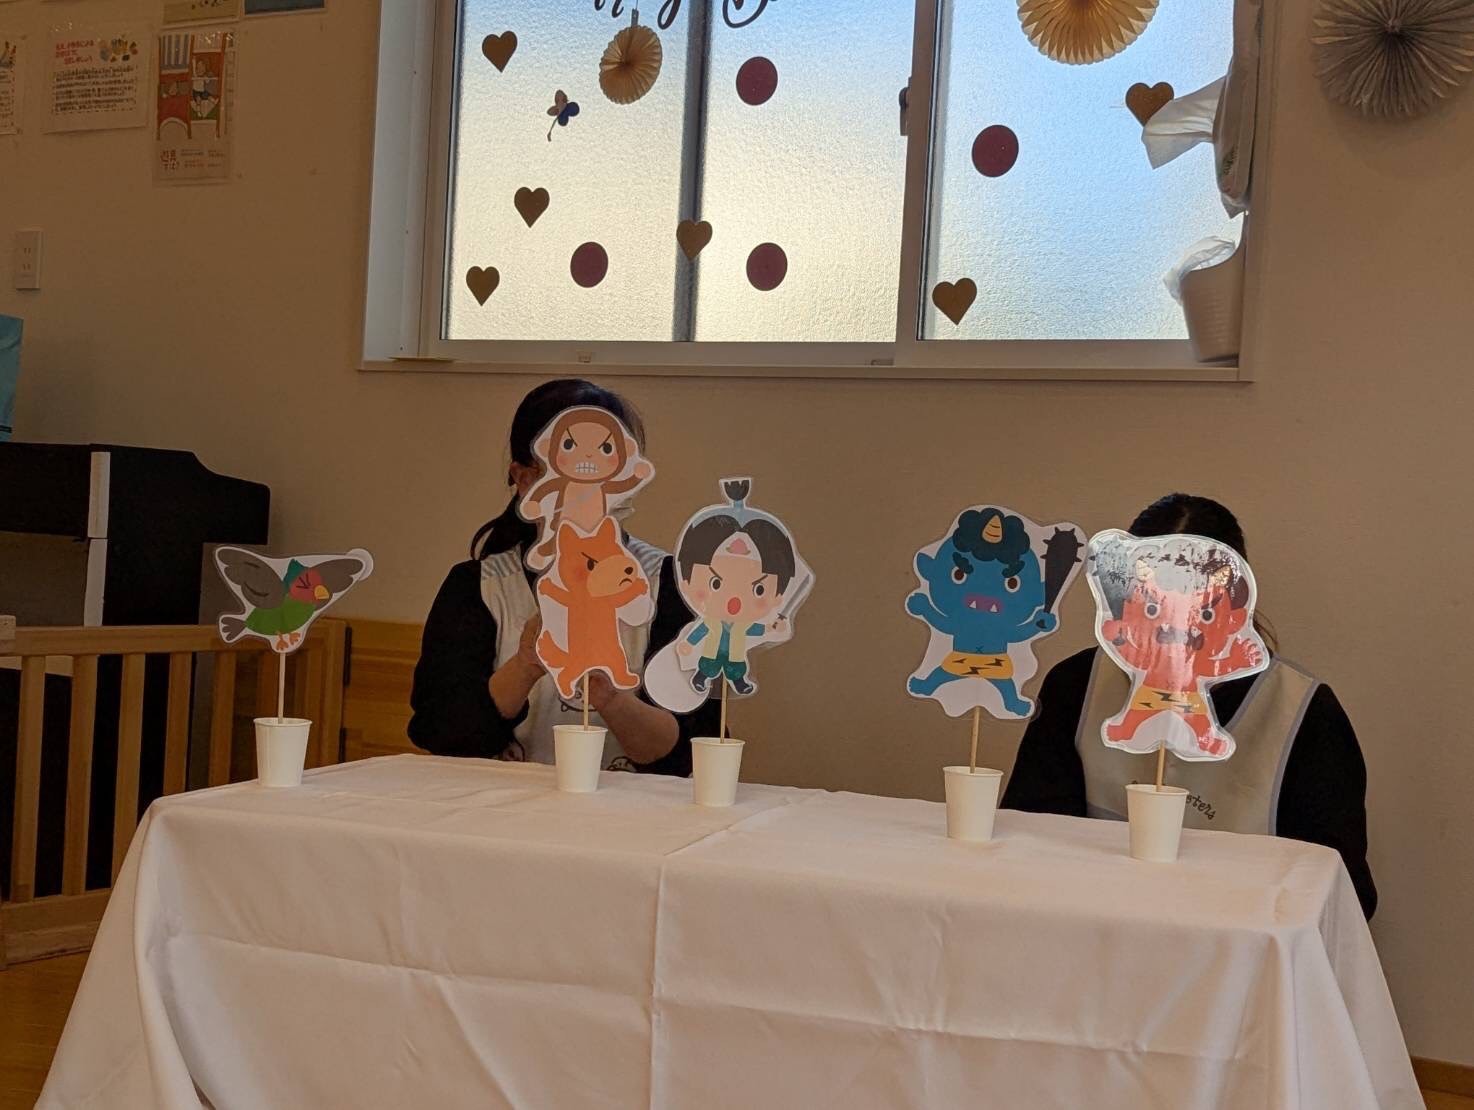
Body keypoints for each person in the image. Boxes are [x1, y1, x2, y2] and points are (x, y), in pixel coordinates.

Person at [1002, 493, 1378, 918]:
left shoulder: (1303, 714)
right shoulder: (1076, 686)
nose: (1173, 630)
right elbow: (1027, 836)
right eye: (1153, 605)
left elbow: (1344, 898)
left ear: (1236, 604)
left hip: (1237, 950)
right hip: (1087, 934)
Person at [408, 379, 716, 774]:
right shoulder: (479, 587)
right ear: (525, 479)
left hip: (628, 806)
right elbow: (440, 733)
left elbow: (692, 748)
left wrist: (611, 698)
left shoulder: (667, 582)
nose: (587, 485)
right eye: (567, 464)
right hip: (499, 805)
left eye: (607, 463)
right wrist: (525, 665)